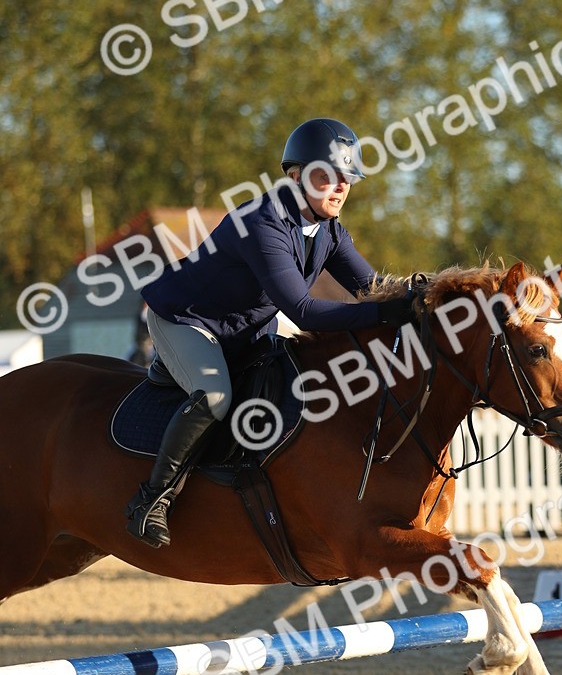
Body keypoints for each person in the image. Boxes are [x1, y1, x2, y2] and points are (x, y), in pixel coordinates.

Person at [125, 118, 415, 549]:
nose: (339, 188)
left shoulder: (329, 231)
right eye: (327, 176)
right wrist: (387, 310)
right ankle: (152, 500)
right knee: (216, 398)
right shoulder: (263, 222)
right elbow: (304, 310)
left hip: (246, 329)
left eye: (346, 179)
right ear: (296, 176)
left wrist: (425, 294)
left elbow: (372, 290)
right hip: (188, 321)